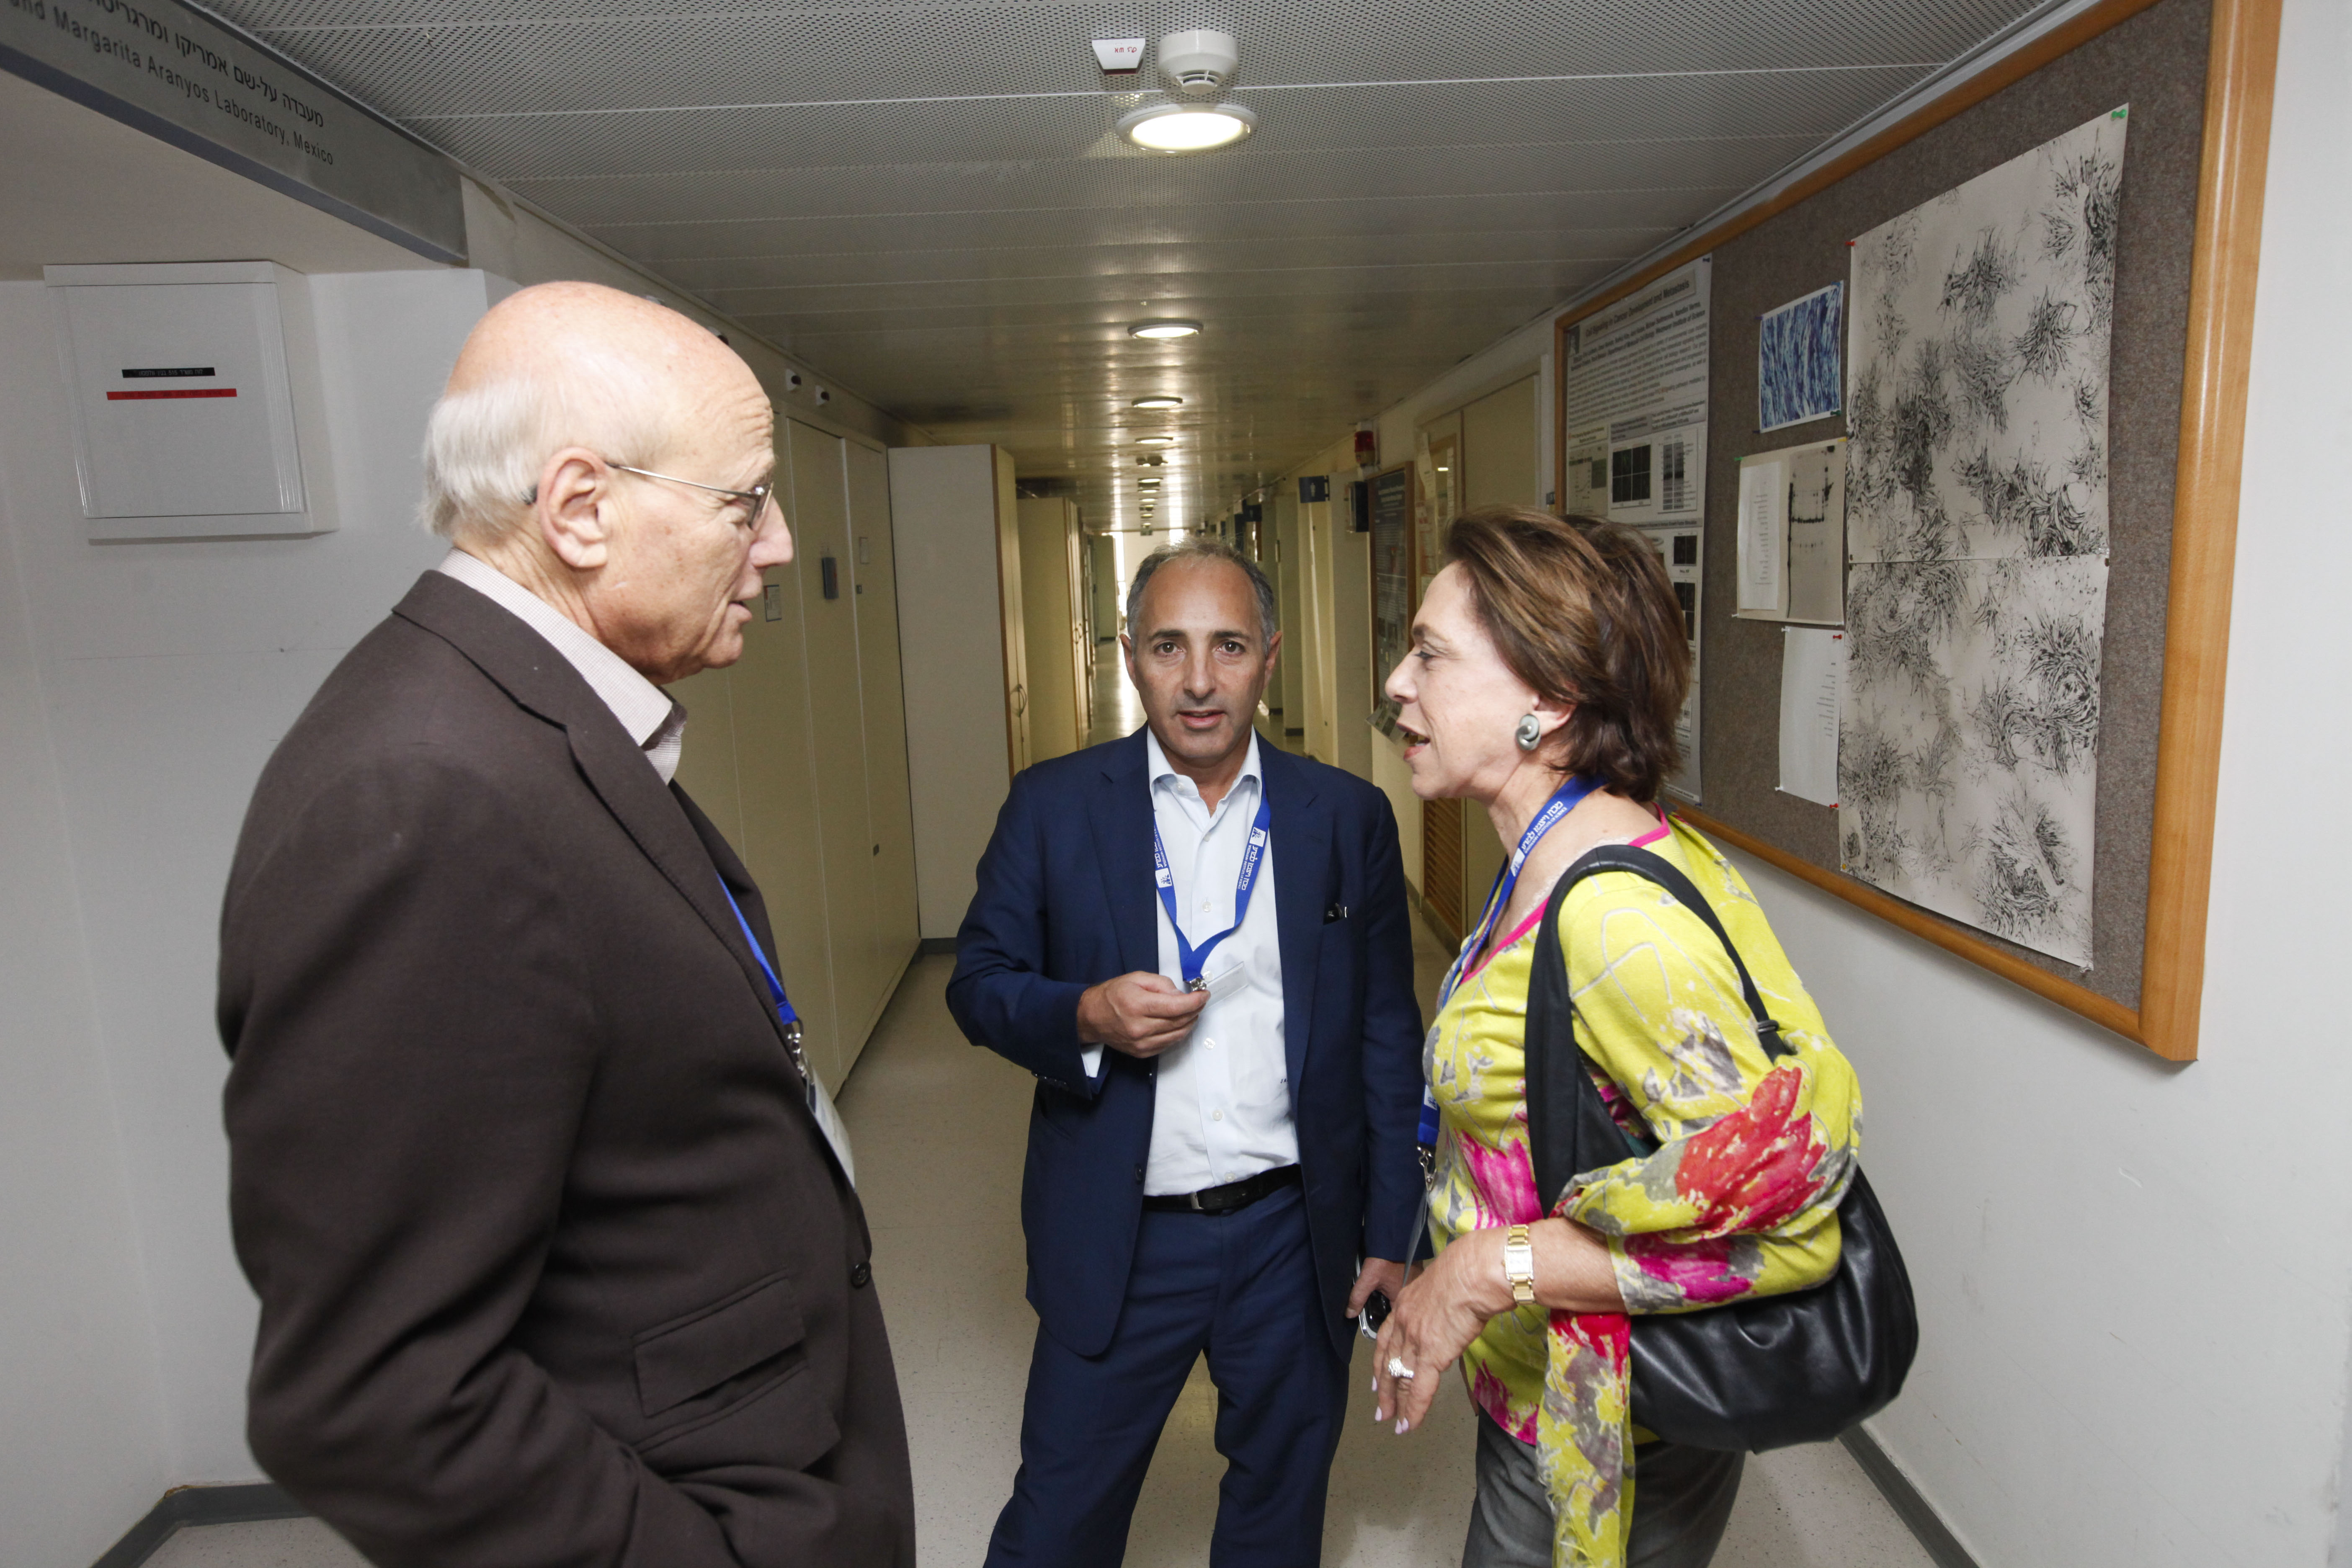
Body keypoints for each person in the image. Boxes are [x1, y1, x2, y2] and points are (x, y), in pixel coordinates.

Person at [217, 281, 915, 1568]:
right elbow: (376, 1398)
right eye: (746, 502)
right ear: (582, 509)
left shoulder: (529, 720)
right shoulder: (428, 793)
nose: (777, 546)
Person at [1367, 506, 1862, 1568]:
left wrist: (1483, 1271)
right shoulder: (1549, 860)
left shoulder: (1618, 927)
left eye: (1431, 655)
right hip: (1543, 1393)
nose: (1399, 682)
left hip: (1612, 1435)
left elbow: (1791, 1230)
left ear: (1548, 701)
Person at [948, 538, 1424, 1566]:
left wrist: (1391, 1229)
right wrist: (1084, 1015)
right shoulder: (1053, 806)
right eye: (1170, 646)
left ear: (1270, 656)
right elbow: (976, 984)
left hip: (1291, 1235)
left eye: (1229, 647)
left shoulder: (1346, 818)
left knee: (1276, 1521)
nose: (1200, 680)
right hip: (1123, 1236)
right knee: (1056, 1527)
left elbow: (1387, 1035)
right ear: (1130, 657)